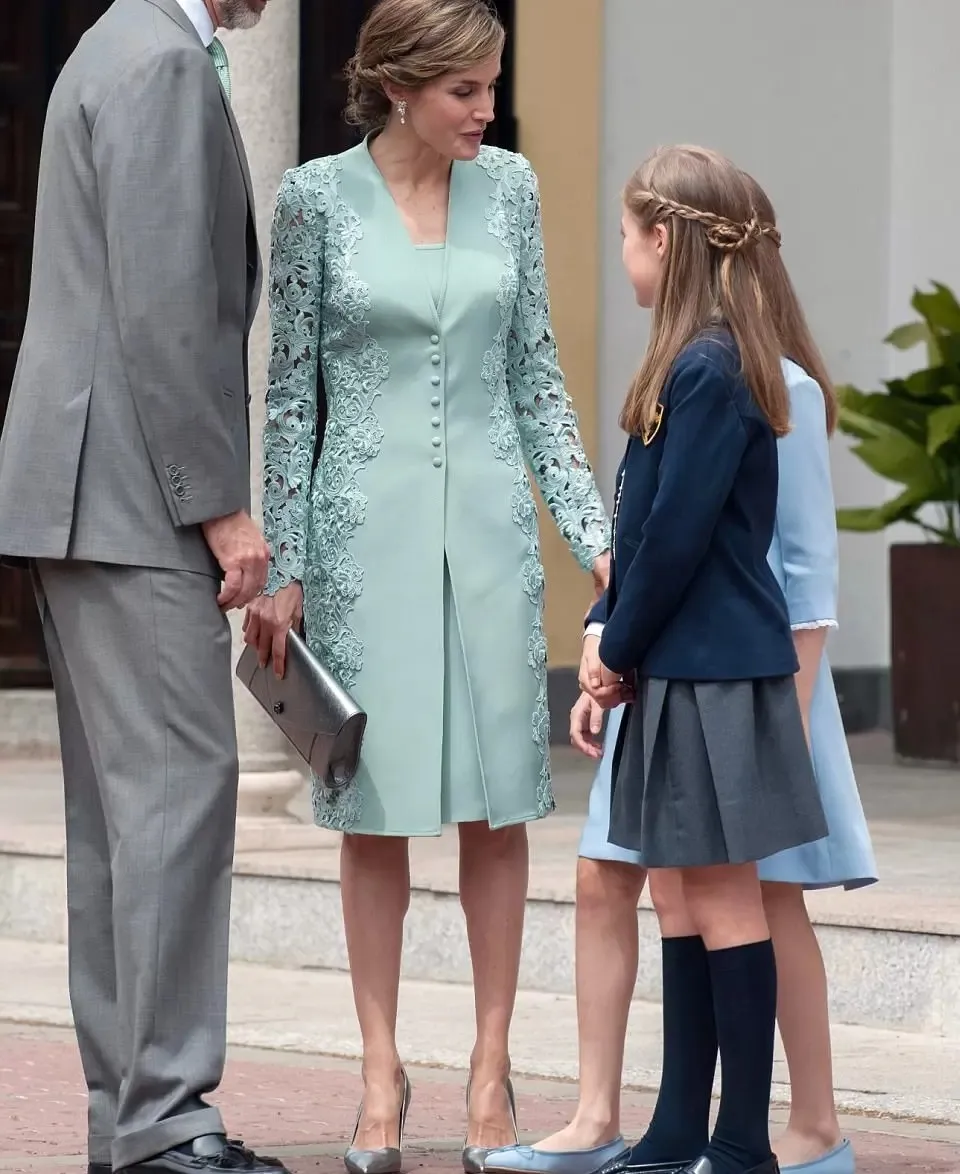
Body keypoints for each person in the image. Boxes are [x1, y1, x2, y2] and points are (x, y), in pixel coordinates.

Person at [242, 1, 611, 1171]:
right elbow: (291, 393)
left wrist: (600, 536)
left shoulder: (511, 189)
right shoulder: (311, 198)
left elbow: (537, 376)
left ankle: (492, 1068)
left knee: (498, 804)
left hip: (490, 535)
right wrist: (285, 566)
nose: (487, 111)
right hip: (362, 539)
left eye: (493, 88)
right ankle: (377, 1070)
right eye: (466, 91)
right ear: (399, 87)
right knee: (377, 812)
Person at [486, 177, 875, 1174]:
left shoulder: (716, 371)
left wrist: (609, 651)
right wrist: (606, 636)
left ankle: (741, 1142)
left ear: (663, 241)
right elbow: (640, 532)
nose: (620, 252)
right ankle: (674, 1132)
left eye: (624, 235)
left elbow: (677, 540)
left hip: (710, 669)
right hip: (671, 666)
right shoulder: (689, 364)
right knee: (679, 895)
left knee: (727, 897)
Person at [0, 1, 287, 1172]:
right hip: (133, 495)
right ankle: (165, 1121)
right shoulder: (165, 61)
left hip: (82, 491)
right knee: (175, 799)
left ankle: (134, 1120)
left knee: (122, 827)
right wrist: (222, 505)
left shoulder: (114, 41)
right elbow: (167, 312)